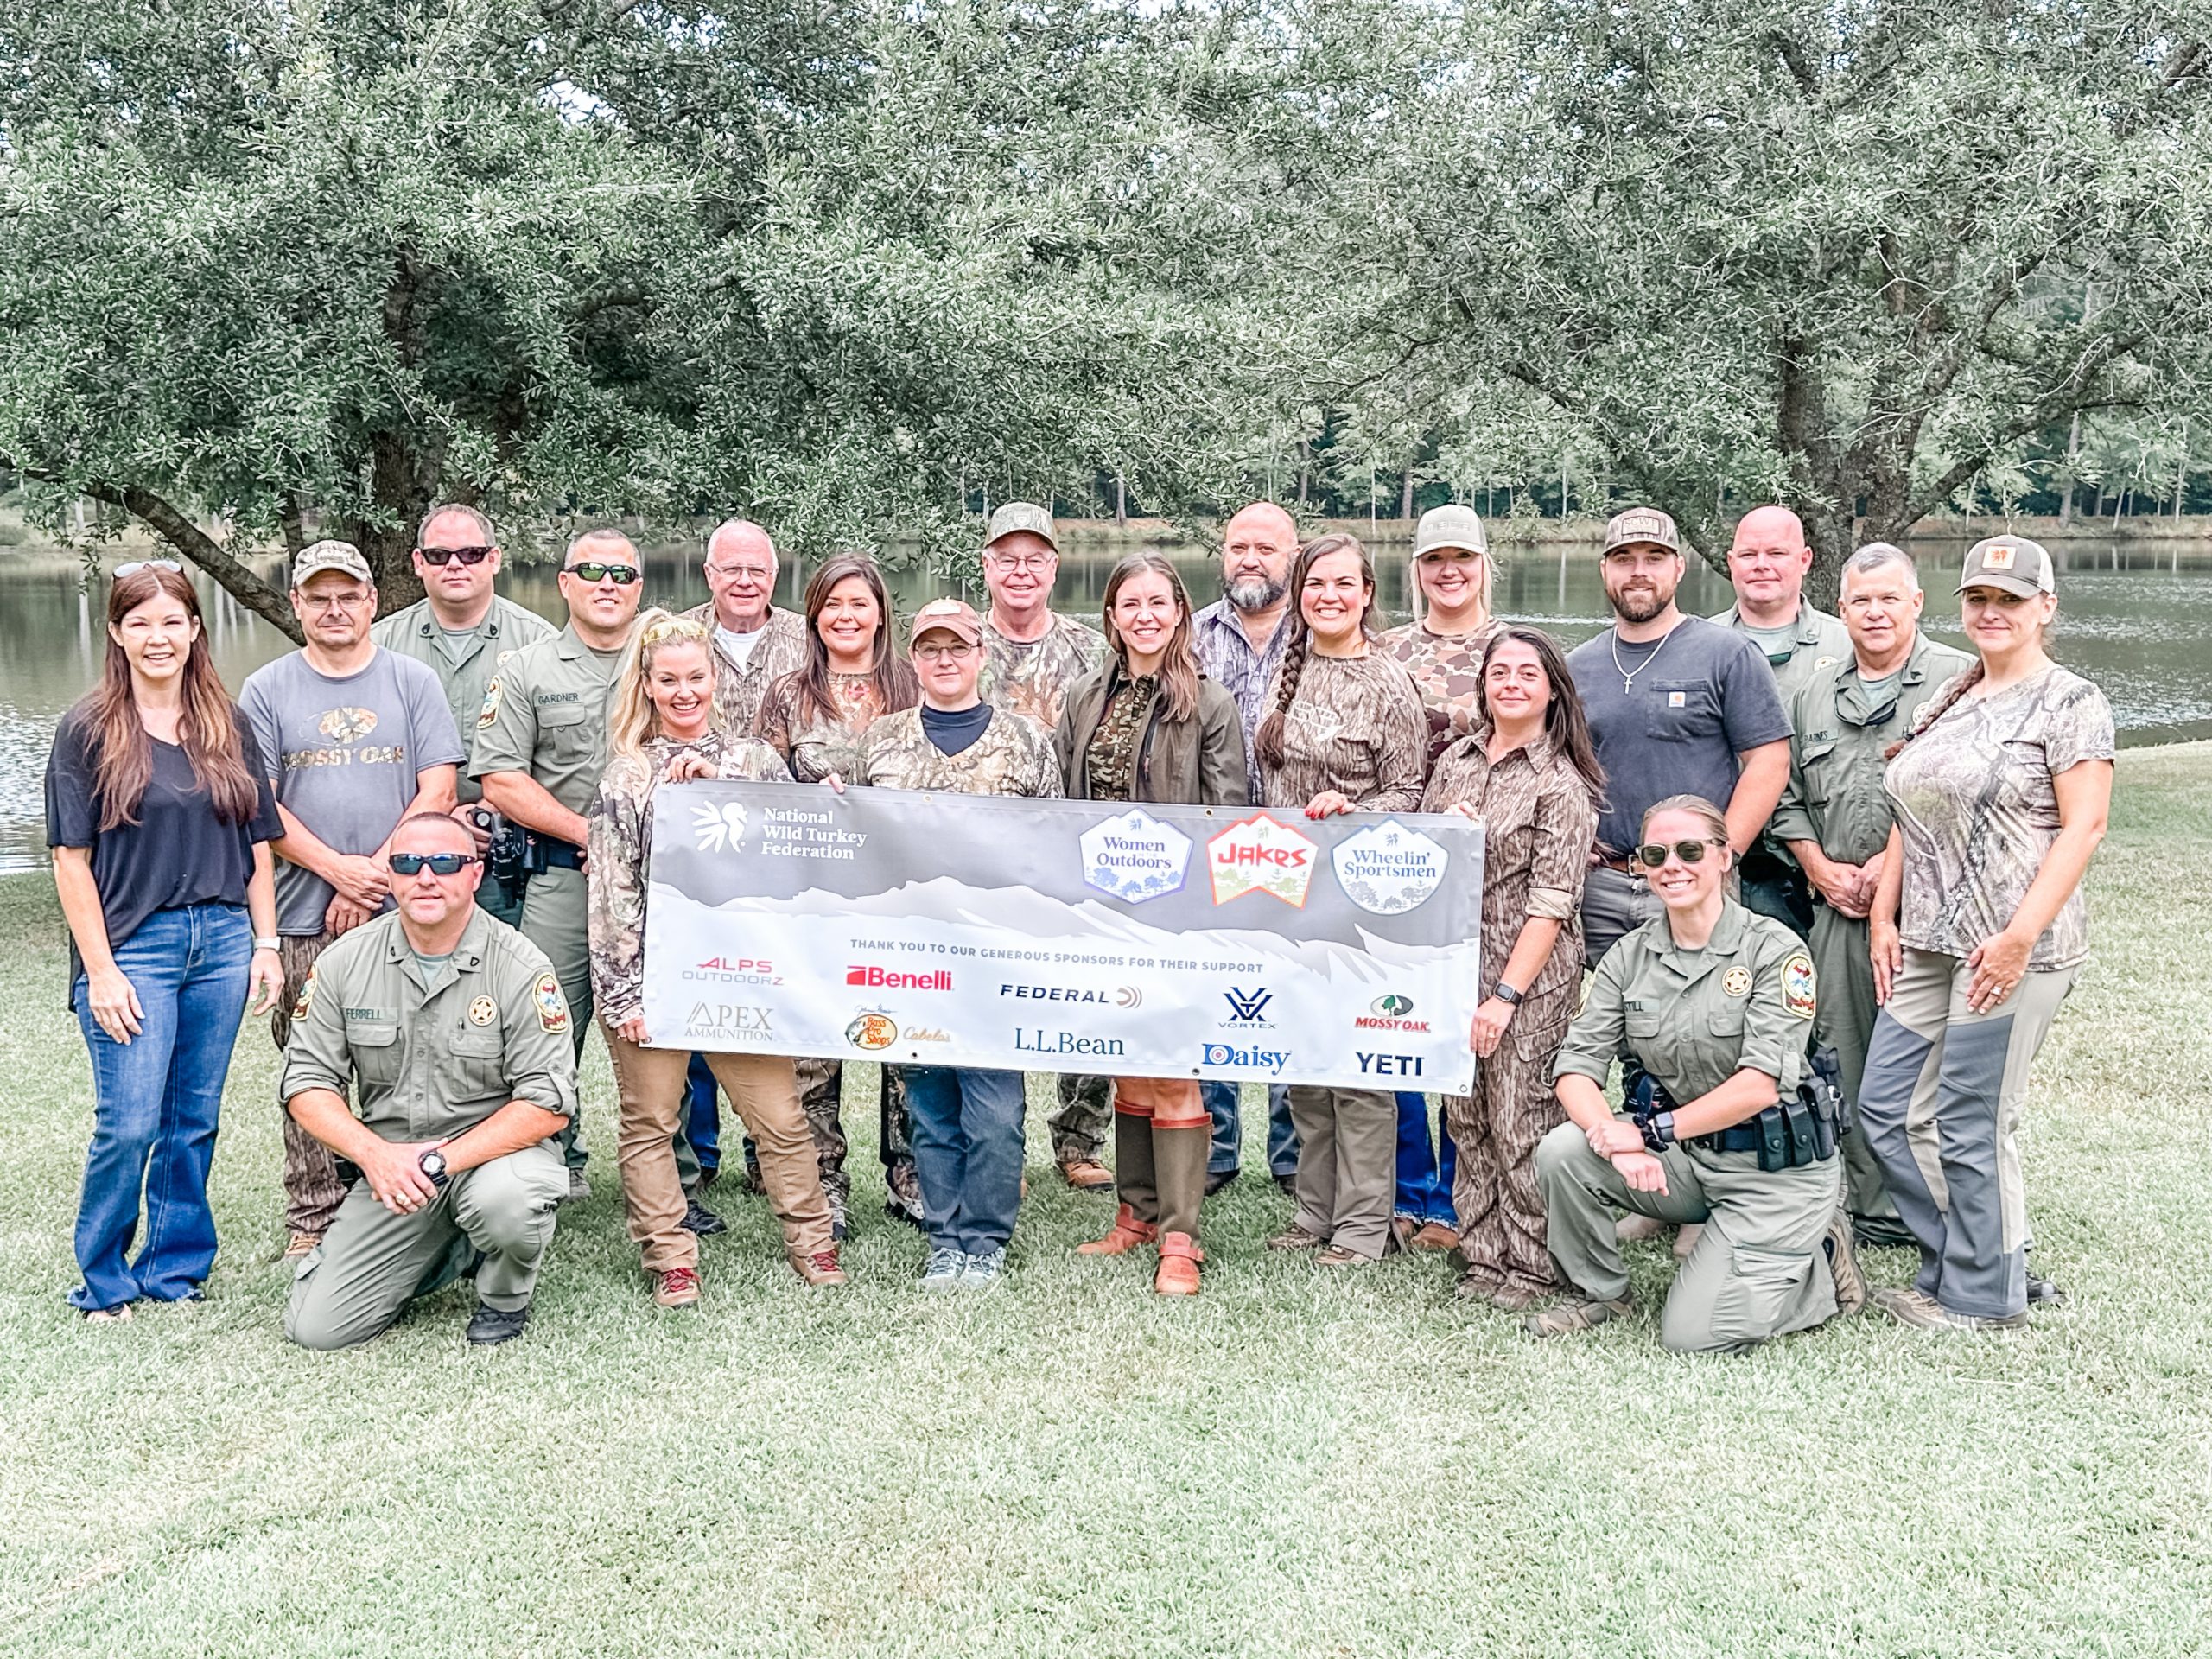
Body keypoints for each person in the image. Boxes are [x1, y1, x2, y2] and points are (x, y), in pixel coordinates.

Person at [1860, 537, 2113, 1333]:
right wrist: (1881, 912)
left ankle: (1985, 1297)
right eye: (1979, 600)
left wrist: (2015, 938)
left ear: (2046, 608)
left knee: (1972, 1118)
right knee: (1886, 1110)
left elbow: (2086, 827)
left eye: (2010, 600)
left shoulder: (2071, 701)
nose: (1992, 613)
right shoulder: (1952, 694)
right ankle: (1983, 1252)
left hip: (2009, 948)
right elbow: (1912, 803)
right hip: (1929, 942)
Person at [1528, 795, 1862, 1351]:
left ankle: (1819, 1260)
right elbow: (1576, 1068)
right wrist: (1620, 1146)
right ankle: (1601, 1292)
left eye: (1689, 850)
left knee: (1695, 1337)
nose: (1671, 866)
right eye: (1656, 854)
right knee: (1563, 1150)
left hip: (1772, 1171)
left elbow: (1759, 1084)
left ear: (1725, 856)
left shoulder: (1775, 951)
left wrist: (1648, 1133)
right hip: (1685, 1159)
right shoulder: (1629, 956)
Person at [47, 563, 285, 1319]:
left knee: (193, 1119)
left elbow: (258, 849)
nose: (159, 637)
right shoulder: (88, 729)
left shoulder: (225, 723)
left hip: (219, 941)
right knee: (130, 1122)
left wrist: (267, 943)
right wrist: (102, 971)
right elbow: (69, 860)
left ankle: (175, 1267)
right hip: (134, 949)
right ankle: (105, 1278)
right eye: (141, 623)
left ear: (195, 630)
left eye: (172, 621)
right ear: (117, 633)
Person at [588, 611, 845, 1305]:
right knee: (651, 1121)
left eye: (695, 678)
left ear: (714, 681)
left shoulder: (755, 761)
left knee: (780, 1118)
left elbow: (800, 848)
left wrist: (728, 786)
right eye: (667, 680)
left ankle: (812, 1240)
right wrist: (624, 997)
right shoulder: (628, 776)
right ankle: (671, 1255)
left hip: (740, 977)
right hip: (655, 982)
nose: (683, 692)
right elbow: (613, 895)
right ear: (646, 685)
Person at [240, 540, 464, 1259]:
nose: (334, 610)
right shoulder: (267, 689)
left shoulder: (412, 681)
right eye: (318, 597)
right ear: (298, 605)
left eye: (348, 596)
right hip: (306, 912)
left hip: (410, 910)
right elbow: (260, 806)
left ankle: (413, 1204)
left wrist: (378, 875)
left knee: (413, 1062)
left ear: (372, 602)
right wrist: (339, 871)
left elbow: (439, 790)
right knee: (312, 1066)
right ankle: (312, 1217)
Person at [280, 812, 576, 1350]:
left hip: (495, 1156)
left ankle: (503, 1296)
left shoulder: (519, 966)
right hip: (395, 1165)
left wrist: (440, 1162)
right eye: (407, 863)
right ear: (390, 876)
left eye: (444, 863)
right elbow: (306, 1083)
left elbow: (548, 1103)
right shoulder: (344, 961)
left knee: (506, 1203)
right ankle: (450, 1246)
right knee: (317, 1330)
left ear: (476, 875)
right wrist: (374, 1156)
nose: (425, 877)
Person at [849, 598, 1062, 1289]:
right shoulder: (881, 740)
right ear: (913, 658)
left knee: (996, 1114)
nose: (945, 659)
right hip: (911, 958)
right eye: (931, 648)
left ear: (982, 654)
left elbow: (1052, 850)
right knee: (930, 1111)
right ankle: (945, 1236)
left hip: (995, 959)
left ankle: (987, 1237)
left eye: (958, 647)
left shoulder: (1027, 742)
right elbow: (855, 845)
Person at [1053, 554, 1247, 1294]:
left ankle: (1179, 1236)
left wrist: (1198, 912)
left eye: (1157, 603)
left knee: (1173, 1066)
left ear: (1178, 614)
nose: (1143, 615)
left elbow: (1227, 816)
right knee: (1126, 1059)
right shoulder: (1082, 697)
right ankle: (1133, 1216)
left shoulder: (1211, 704)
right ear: (1111, 616)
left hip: (1177, 916)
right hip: (1099, 910)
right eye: (1128, 603)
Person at [1770, 544, 1971, 1247]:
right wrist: (1818, 866)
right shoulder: (1813, 691)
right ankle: (1870, 1205)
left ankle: (1938, 1204)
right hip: (1836, 904)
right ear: (1841, 609)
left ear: (1917, 602)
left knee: (1928, 1062)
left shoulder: (1957, 680)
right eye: (1861, 600)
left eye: (1890, 598)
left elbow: (1946, 802)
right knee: (1841, 1050)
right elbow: (1786, 794)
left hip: (1932, 908)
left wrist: (1885, 879)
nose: (1875, 612)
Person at [1255, 533, 1429, 1267]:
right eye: (1314, 585)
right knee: (1305, 1059)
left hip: (1362, 899)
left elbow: (1414, 791)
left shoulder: (1388, 681)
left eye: (1342, 585)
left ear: (1366, 594)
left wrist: (1354, 812)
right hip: (1289, 894)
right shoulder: (1284, 673)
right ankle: (1314, 1212)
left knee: (1358, 1068)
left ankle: (1364, 1227)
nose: (1328, 597)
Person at [1420, 627, 1602, 1307]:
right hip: (1453, 968)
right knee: (1466, 1118)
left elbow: (1551, 904)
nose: (1513, 683)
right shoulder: (1456, 763)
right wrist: (1446, 830)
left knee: (1519, 1119)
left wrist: (1504, 997)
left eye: (1529, 673)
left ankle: (1531, 1265)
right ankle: (1483, 1253)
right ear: (1485, 683)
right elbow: (1420, 862)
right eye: (1501, 671)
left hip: (1528, 979)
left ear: (1552, 688)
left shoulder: (1561, 783)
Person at [473, 526, 646, 1202]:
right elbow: (501, 779)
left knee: (662, 1024)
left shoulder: (667, 661)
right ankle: (547, 1162)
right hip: (562, 880)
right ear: (564, 583)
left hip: (661, 883)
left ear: (639, 588)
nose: (608, 584)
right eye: (592, 571)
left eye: (622, 574)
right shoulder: (526, 668)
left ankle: (681, 1174)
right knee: (549, 1026)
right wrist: (597, 837)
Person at [756, 555, 925, 1233]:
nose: (846, 616)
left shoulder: (913, 685)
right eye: (833, 605)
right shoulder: (787, 695)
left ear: (882, 612)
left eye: (859, 603)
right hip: (814, 897)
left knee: (908, 1038)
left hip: (903, 894)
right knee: (812, 1046)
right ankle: (822, 1180)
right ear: (814, 615)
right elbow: (761, 784)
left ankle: (912, 1174)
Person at [1565, 506, 1792, 970]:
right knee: (1600, 1022)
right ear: (1605, 569)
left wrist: (1721, 856)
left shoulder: (1728, 654)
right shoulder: (1575, 667)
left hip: (1689, 881)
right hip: (1597, 887)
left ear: (1679, 567)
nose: (1639, 573)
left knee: (1692, 1024)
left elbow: (1769, 763)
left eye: (1654, 557)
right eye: (1624, 559)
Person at [973, 501, 1115, 1191]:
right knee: (990, 995)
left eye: (1034, 559)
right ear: (986, 566)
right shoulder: (957, 641)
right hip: (983, 854)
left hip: (1071, 843)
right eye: (1007, 559)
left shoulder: (1091, 649)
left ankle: (1079, 1137)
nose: (1021, 572)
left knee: (1085, 996)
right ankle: (999, 1143)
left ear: (1054, 567)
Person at [1382, 503, 1503, 1249]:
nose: (1448, 571)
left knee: (1464, 1034)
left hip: (1489, 869)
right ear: (1416, 569)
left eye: (1461, 557)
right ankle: (1408, 1185)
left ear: (1485, 563)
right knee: (1394, 1024)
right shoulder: (1387, 651)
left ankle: (1459, 1192)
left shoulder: (1516, 647)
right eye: (1433, 559)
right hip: (1397, 867)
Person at [371, 502, 556, 926]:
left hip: (508, 846)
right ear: (419, 563)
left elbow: (559, 752)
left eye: (470, 554)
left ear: (494, 559)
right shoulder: (380, 647)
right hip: (406, 854)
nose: (455, 565)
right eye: (439, 555)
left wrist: (488, 808)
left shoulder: (540, 644)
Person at [1191, 501, 1302, 1195]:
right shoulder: (1192, 634)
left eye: (1265, 547)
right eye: (1237, 547)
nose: (1250, 559)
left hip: (1299, 838)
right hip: (1215, 839)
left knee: (1291, 989)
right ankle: (1216, 1146)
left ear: (1294, 556)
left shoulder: (1320, 630)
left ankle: (1292, 1153)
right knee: (1216, 992)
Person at [1712, 506, 1852, 934]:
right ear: (1731, 563)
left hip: (1820, 870)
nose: (1762, 565)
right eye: (1749, 554)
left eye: (1777, 552)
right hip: (1721, 863)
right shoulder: (1696, 645)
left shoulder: (1849, 645)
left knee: (1813, 994)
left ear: (1805, 560)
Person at [683, 518, 810, 735]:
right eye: (732, 569)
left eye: (757, 571)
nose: (744, 581)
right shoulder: (679, 635)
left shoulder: (808, 638)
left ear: (774, 576)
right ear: (709, 574)